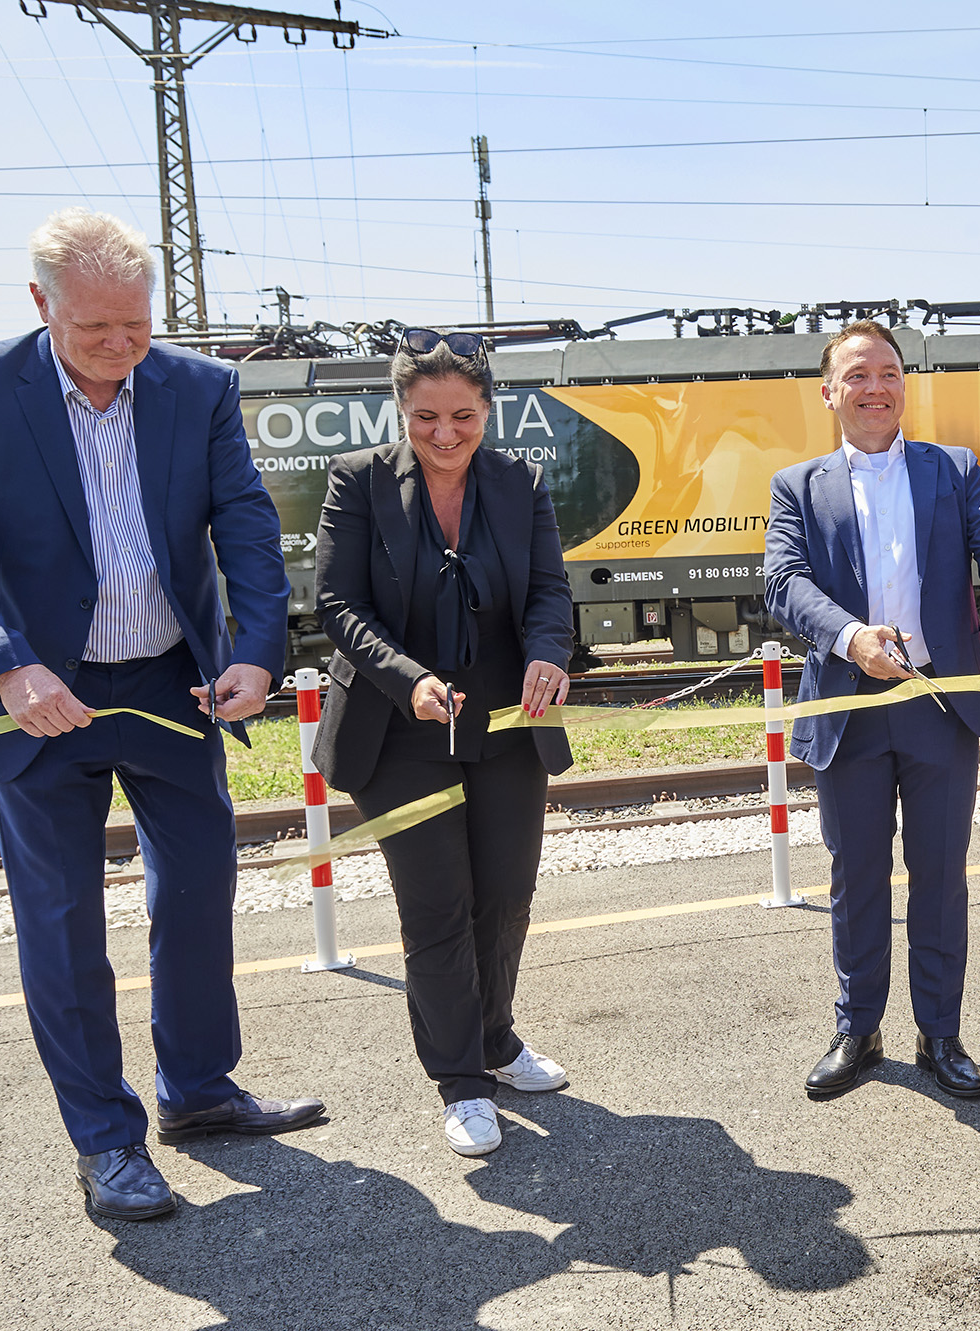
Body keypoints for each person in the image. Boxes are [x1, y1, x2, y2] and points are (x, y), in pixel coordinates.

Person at [0, 208, 318, 1222]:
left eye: (134, 325)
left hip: (167, 685)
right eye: (94, 327)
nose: (118, 346)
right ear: (39, 303)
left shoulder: (200, 387)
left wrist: (256, 651)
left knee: (196, 892)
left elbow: (244, 523)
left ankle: (199, 1091)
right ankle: (106, 1136)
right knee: (63, 926)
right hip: (39, 695)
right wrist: (7, 665)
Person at [312, 329, 577, 1157]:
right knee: (437, 910)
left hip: (503, 726)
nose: (446, 433)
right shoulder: (357, 481)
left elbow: (547, 590)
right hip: (399, 732)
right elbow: (336, 604)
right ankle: (460, 1079)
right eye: (426, 416)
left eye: (464, 414)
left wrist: (547, 650)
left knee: (504, 898)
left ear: (488, 410)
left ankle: (495, 1039)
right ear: (400, 409)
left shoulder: (517, 481)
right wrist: (407, 678)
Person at [765, 320, 980, 1100]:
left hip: (939, 704)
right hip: (849, 706)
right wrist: (851, 639)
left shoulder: (954, 469)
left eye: (888, 372)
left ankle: (941, 1033)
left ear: (903, 385)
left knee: (940, 875)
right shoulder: (798, 486)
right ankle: (858, 1028)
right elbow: (784, 583)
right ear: (828, 392)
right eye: (857, 375)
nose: (875, 388)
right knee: (856, 876)